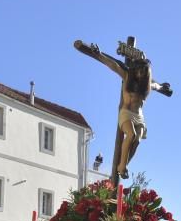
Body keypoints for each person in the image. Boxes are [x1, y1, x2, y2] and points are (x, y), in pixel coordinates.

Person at [74, 37, 173, 180]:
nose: (140, 74)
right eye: (139, 71)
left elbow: (157, 86)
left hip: (139, 116)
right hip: (126, 113)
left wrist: (163, 87)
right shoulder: (127, 76)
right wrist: (98, 54)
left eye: (143, 72)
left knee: (137, 140)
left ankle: (123, 165)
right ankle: (121, 167)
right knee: (131, 135)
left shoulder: (147, 85)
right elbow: (113, 65)